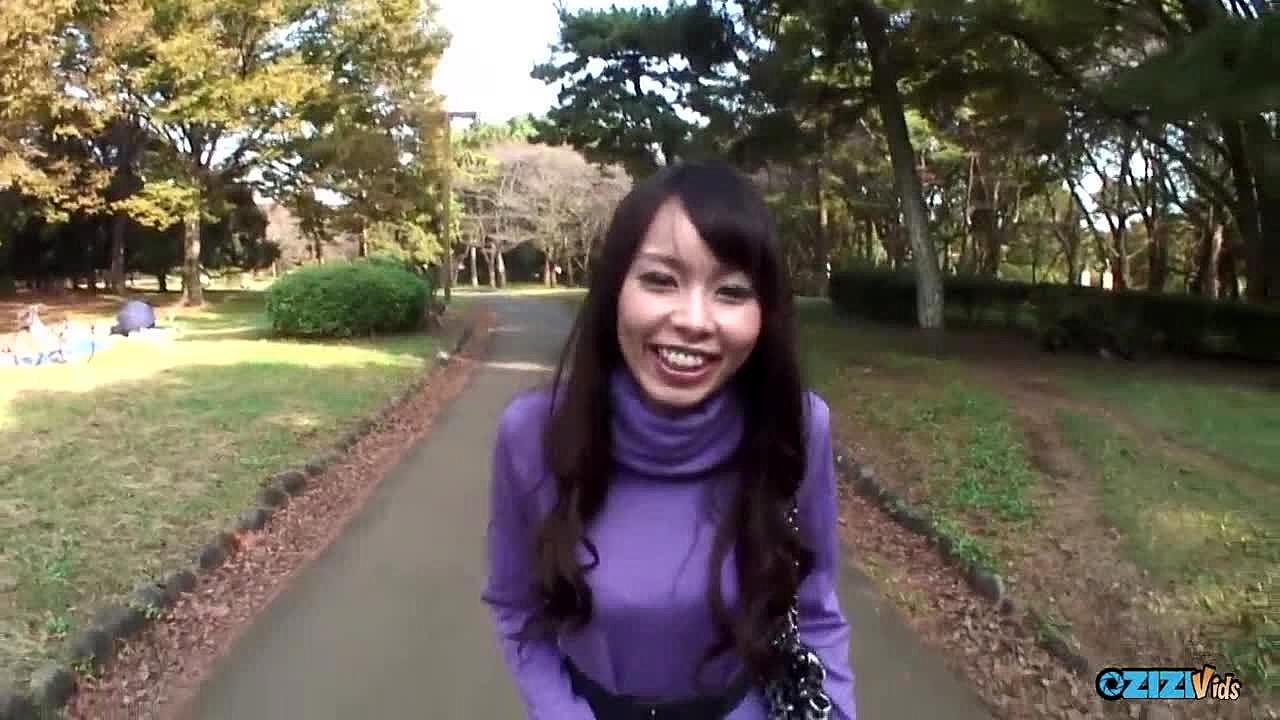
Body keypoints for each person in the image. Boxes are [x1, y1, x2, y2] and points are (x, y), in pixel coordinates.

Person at [482, 160, 856, 719]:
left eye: (731, 291)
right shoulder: (534, 434)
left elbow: (816, 608)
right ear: (615, 289)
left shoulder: (795, 427)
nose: (694, 321)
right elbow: (517, 611)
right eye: (661, 280)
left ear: (765, 312)